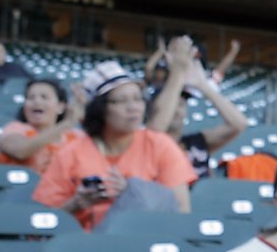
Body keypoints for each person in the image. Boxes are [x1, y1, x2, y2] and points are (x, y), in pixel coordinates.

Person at [34, 60, 196, 229]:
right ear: (100, 109)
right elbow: (43, 223)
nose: (134, 107)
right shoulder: (70, 153)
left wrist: (133, 191)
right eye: (121, 101)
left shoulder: (161, 145)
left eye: (137, 98)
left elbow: (181, 212)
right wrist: (76, 203)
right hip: (87, 249)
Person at [147, 34, 250, 176]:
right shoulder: (144, 145)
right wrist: (178, 71)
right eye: (172, 103)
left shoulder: (197, 142)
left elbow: (239, 124)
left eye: (181, 104)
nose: (177, 109)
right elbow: (156, 130)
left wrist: (203, 85)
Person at [0, 76, 89, 173]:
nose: (37, 101)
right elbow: (20, 151)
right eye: (30, 97)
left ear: (60, 107)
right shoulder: (15, 128)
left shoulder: (76, 136)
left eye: (44, 97)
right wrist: (67, 123)